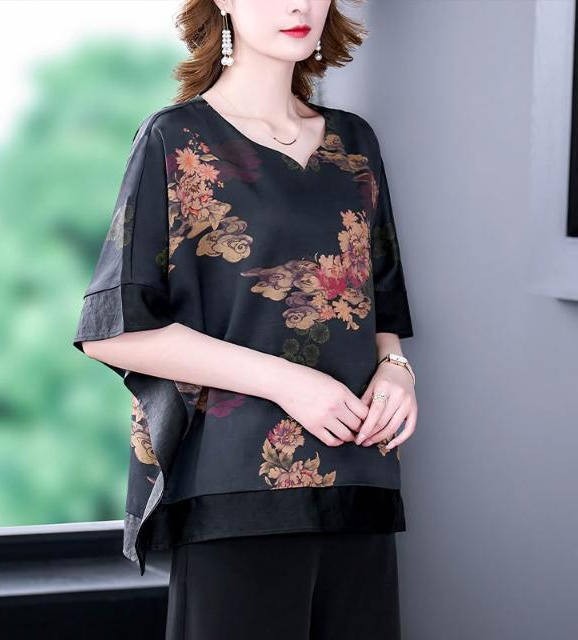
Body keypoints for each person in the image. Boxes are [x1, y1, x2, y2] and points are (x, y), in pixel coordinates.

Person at [72, 0, 418, 638]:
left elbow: (380, 299)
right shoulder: (177, 138)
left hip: (359, 477)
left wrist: (397, 370)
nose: (298, 4)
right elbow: (115, 329)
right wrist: (290, 382)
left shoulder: (355, 142)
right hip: (237, 489)